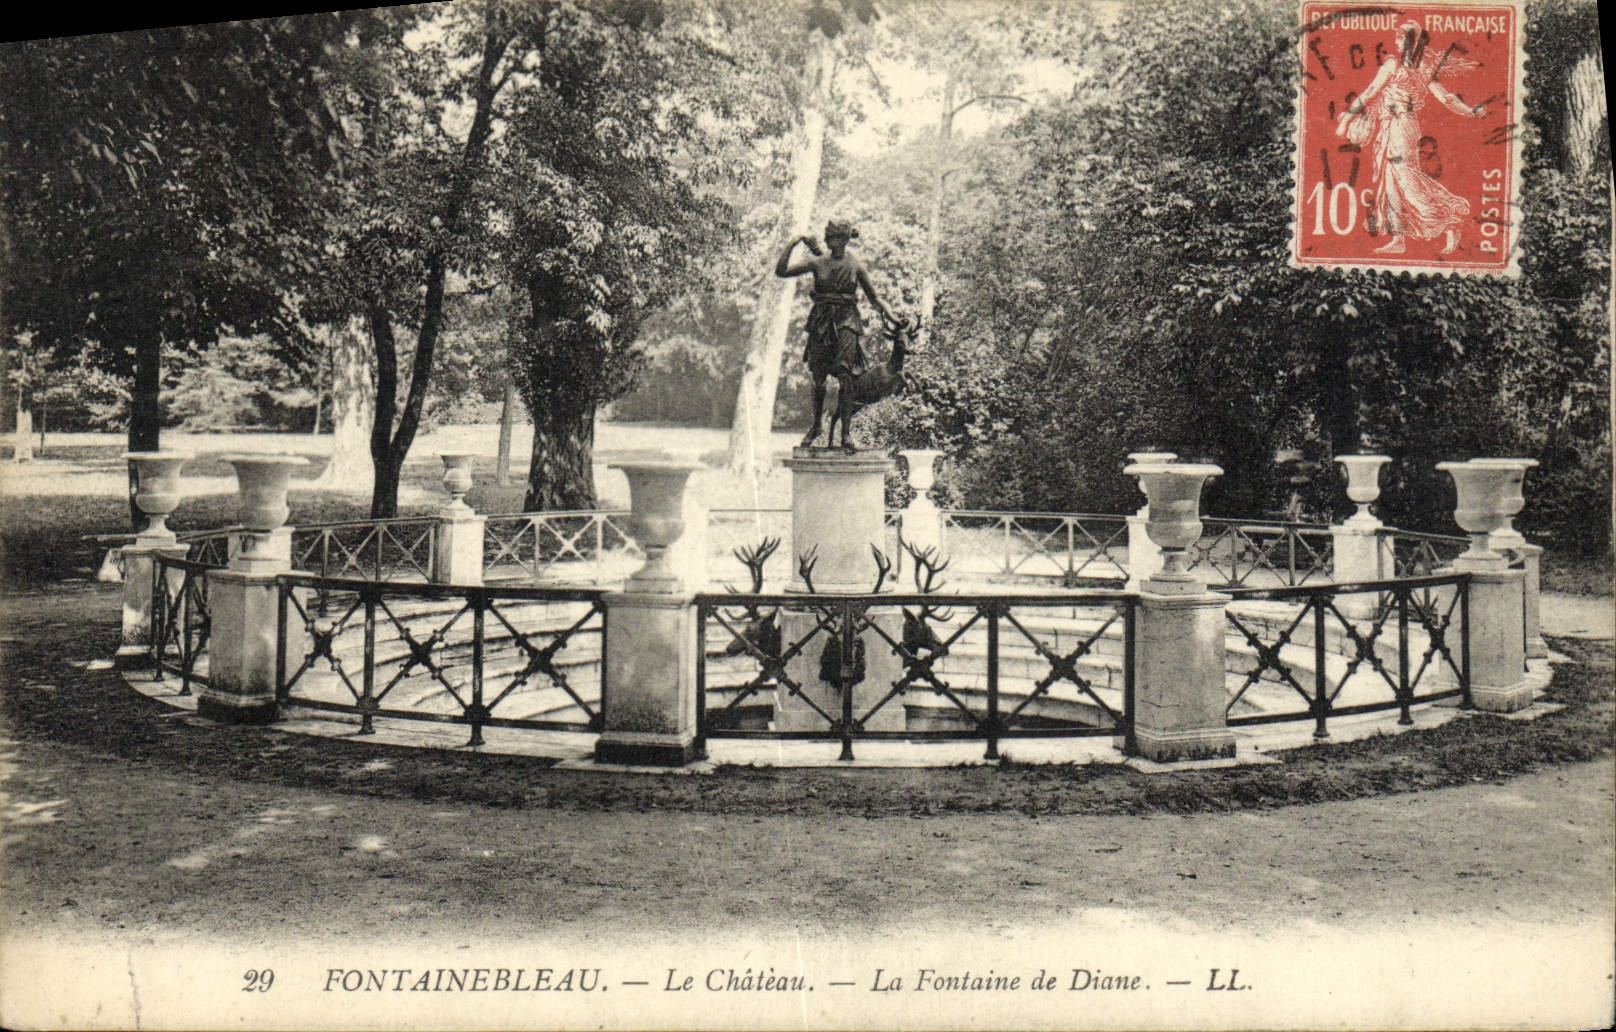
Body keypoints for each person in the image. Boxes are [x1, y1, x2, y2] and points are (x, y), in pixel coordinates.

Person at [1335, 21, 1488, 256]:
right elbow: (1446, 98)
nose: (1397, 42)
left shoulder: (1394, 65)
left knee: (1406, 180)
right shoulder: (1423, 69)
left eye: (1400, 38)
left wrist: (1345, 121)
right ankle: (1398, 237)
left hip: (1399, 126)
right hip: (1396, 126)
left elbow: (1369, 93)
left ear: (1404, 41)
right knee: (1391, 181)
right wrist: (1470, 112)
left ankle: (1449, 222)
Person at [775, 220, 894, 447]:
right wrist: (793, 242)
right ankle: (816, 425)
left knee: (845, 375)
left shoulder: (855, 264)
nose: (833, 242)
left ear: (846, 240)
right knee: (818, 377)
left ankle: (846, 433)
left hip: (847, 320)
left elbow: (875, 298)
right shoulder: (817, 261)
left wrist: (893, 317)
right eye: (830, 238)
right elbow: (781, 271)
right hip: (821, 321)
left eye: (838, 238)